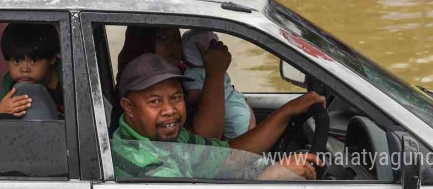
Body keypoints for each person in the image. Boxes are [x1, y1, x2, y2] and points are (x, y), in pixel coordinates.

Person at [112, 53, 325, 180]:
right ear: (129, 108)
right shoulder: (139, 161)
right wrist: (275, 174)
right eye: (155, 101)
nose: (170, 110)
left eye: (175, 97)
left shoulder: (167, 137)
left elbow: (229, 156)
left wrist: (286, 112)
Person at [115, 26, 231, 140]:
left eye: (176, 39)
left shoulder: (185, 73)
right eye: (162, 38)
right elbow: (208, 142)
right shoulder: (133, 88)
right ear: (143, 43)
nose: (172, 45)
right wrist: (215, 73)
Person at [182, 30, 256, 139]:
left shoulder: (193, 73)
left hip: (230, 114)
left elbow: (194, 96)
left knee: (235, 144)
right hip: (240, 106)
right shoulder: (220, 68)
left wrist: (184, 101)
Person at [0, 23, 64, 117]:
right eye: (17, 61)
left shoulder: (68, 74)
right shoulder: (9, 82)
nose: (24, 69)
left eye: (33, 61)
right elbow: (4, 107)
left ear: (52, 58)